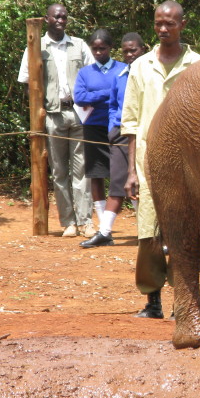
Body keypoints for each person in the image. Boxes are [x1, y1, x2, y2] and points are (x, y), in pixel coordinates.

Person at [121, 1, 200, 318]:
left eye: (170, 23)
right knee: (148, 235)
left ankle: (184, 302)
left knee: (185, 235)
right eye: (158, 23)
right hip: (148, 163)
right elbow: (131, 122)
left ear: (183, 24)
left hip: (187, 165)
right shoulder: (140, 66)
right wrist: (131, 171)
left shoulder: (197, 65)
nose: (163, 29)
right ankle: (152, 301)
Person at [18, 3, 96, 238]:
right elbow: (27, 82)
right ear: (47, 19)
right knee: (60, 172)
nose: (61, 20)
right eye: (56, 17)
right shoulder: (36, 47)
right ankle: (68, 222)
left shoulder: (79, 45)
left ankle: (86, 222)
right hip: (52, 115)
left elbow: (93, 75)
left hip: (79, 113)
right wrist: (38, 110)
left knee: (81, 170)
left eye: (64, 17)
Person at [79, 32, 147, 248]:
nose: (130, 55)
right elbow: (113, 105)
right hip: (120, 133)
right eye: (126, 51)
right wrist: (112, 127)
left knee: (143, 183)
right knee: (119, 180)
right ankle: (105, 232)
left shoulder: (149, 74)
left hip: (145, 133)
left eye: (133, 50)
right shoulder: (121, 76)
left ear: (143, 49)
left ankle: (146, 233)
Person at [73, 29, 126, 245]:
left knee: (121, 175)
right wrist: (109, 92)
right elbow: (79, 97)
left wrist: (95, 96)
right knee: (96, 174)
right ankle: (104, 227)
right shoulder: (85, 72)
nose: (98, 52)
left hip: (118, 128)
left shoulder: (122, 69)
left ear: (110, 47)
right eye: (94, 48)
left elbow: (125, 95)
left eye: (102, 48)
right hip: (93, 127)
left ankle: (112, 227)